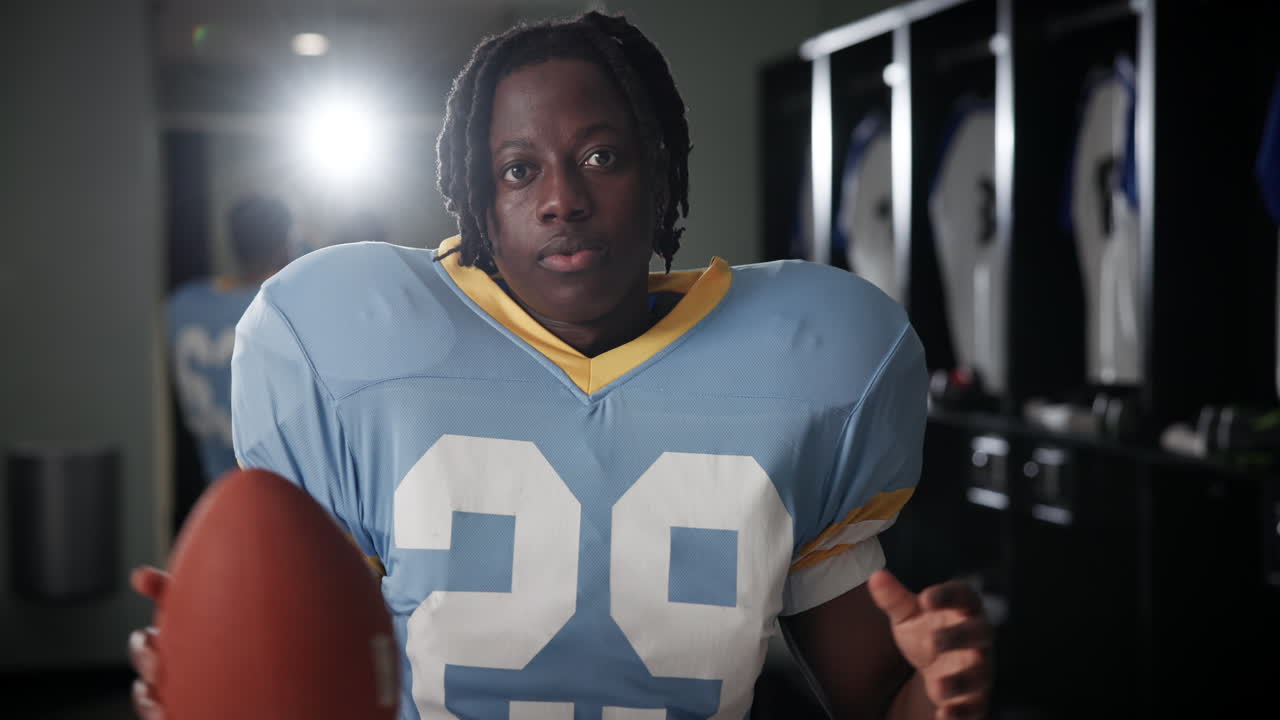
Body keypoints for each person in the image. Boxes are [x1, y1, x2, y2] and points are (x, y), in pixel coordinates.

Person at [130, 11, 992, 720]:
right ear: (477, 201)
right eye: (517, 170)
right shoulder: (346, 349)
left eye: (601, 156)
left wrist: (938, 690)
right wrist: (216, 669)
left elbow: (882, 705)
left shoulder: (813, 365)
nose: (562, 199)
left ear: (662, 172)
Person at [165, 192, 293, 487]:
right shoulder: (285, 308)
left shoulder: (182, 306)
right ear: (283, 246)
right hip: (286, 496)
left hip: (219, 492)